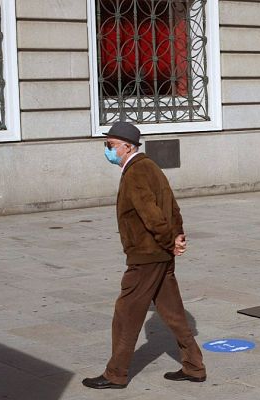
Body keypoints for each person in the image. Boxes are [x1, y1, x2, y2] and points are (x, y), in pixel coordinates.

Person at [82, 122, 206, 389]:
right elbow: (171, 204)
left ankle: (115, 374)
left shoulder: (136, 172)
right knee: (173, 313)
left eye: (111, 146)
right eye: (107, 145)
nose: (107, 150)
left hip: (146, 256)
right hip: (159, 255)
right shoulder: (150, 167)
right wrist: (177, 235)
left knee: (126, 313)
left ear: (128, 147)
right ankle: (194, 367)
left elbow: (151, 214)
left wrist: (169, 241)